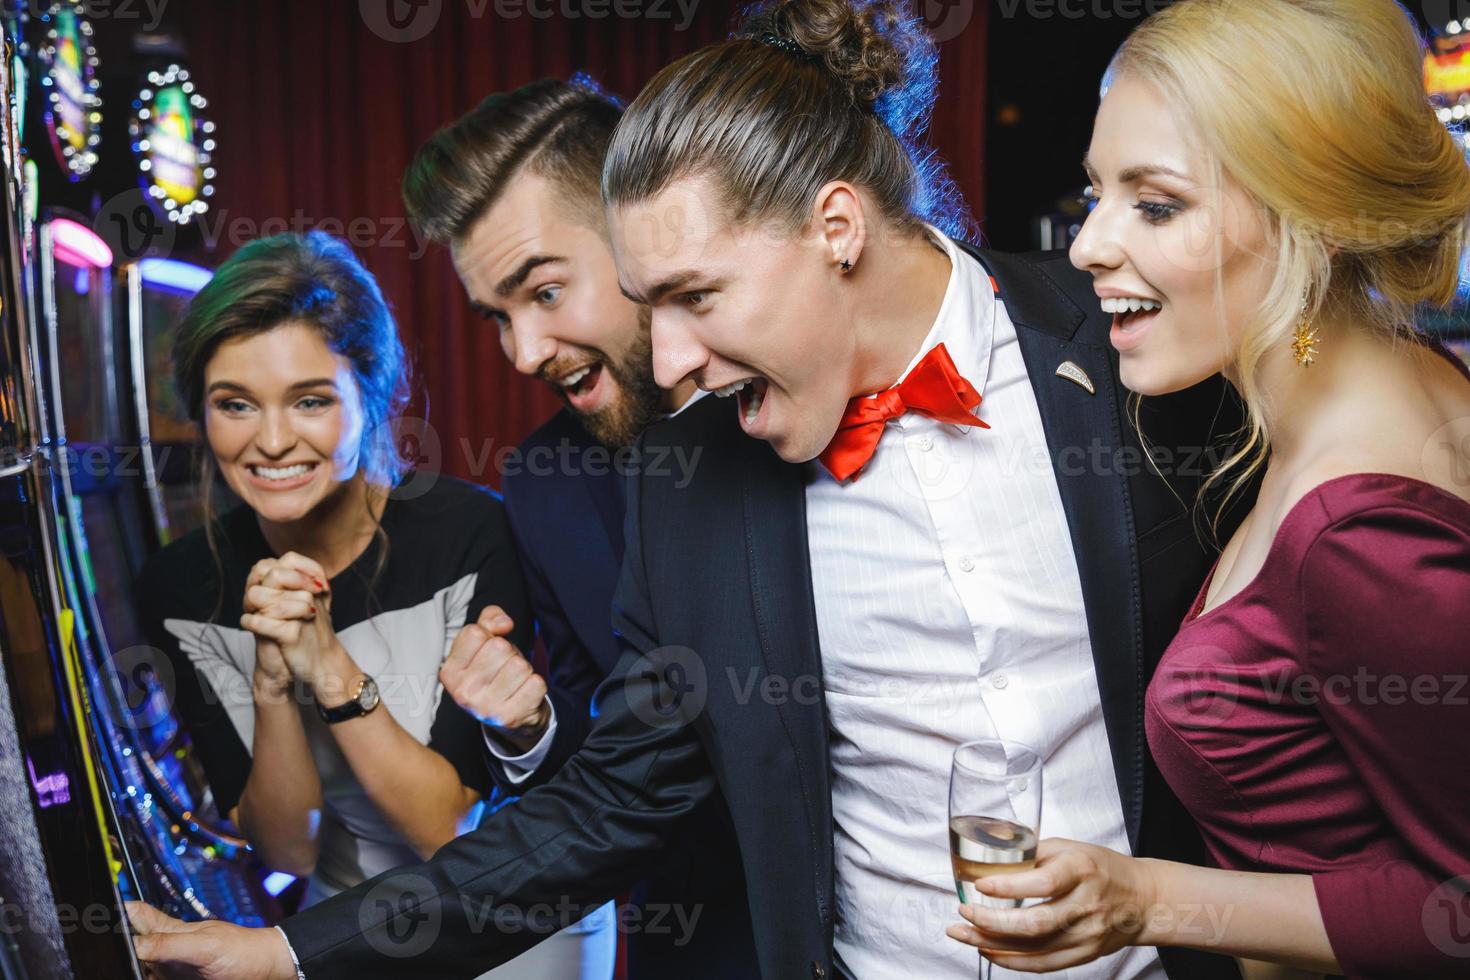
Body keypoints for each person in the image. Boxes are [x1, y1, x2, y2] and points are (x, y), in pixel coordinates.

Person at [124, 1, 1251, 977]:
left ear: (837, 226)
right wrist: (294, 951)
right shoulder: (694, 479)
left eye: (696, 297)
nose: (666, 365)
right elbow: (609, 801)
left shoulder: (1119, 358)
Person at [939, 2, 1470, 978]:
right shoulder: (1381, 375)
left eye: (1157, 202)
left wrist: (1143, 898)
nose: (1090, 244)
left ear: (1311, 218)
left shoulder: (1361, 526)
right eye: (1100, 192)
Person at [133, 231, 615, 978]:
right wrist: (270, 679)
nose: (271, 440)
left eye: (311, 401)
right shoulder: (179, 583)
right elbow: (288, 849)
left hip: (509, 917)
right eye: (235, 404)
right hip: (331, 921)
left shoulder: (473, 530)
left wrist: (327, 666)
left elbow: (445, 830)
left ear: (375, 392)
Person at [400, 75, 758, 974]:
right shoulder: (544, 484)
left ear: (641, 237)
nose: (522, 353)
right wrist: (529, 730)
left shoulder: (794, 400)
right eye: (497, 318)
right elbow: (605, 785)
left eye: (545, 294)